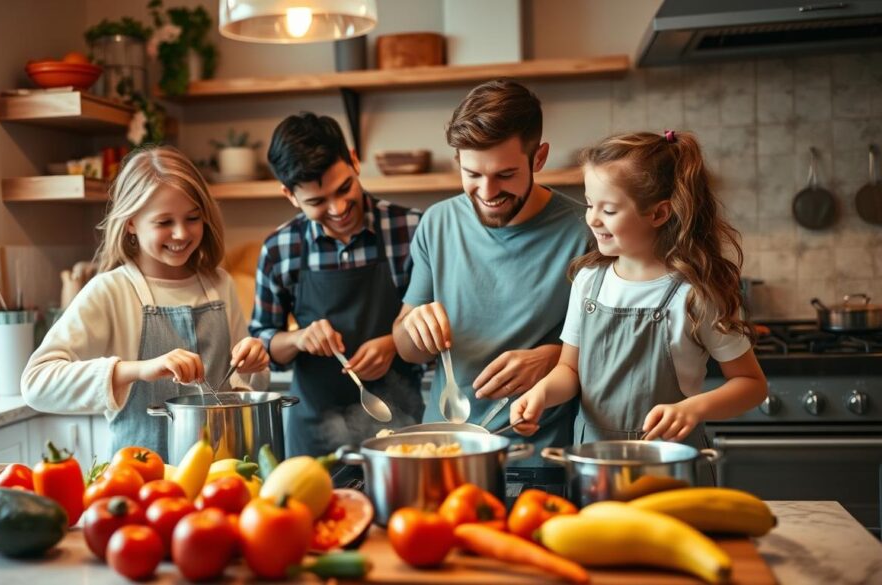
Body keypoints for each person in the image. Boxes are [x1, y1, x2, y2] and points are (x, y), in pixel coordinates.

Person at [510, 131, 768, 479]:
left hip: (671, 468)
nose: (593, 219)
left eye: (610, 209)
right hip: (594, 469)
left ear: (659, 213)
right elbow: (569, 371)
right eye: (590, 204)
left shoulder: (695, 294)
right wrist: (542, 393)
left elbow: (752, 384)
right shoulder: (588, 281)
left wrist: (694, 408)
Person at [23, 145, 270, 461]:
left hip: (221, 479)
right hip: (140, 487)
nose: (181, 233)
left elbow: (239, 387)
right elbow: (36, 384)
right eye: (164, 222)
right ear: (130, 222)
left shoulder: (219, 283)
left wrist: (254, 366)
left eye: (192, 218)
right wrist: (137, 370)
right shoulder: (110, 290)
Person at [393, 79, 591, 467]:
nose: (486, 191)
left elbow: (613, 351)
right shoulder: (437, 223)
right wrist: (415, 326)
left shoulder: (583, 232)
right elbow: (405, 346)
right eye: (472, 174)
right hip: (445, 450)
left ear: (539, 158)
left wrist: (551, 358)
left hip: (539, 455)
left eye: (504, 174)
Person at [250, 112, 424, 458]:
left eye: (344, 188)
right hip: (312, 440)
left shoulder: (411, 230)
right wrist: (299, 338)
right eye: (317, 202)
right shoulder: (280, 248)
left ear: (354, 161)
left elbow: (441, 324)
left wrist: (395, 342)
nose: (339, 208)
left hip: (401, 433)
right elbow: (262, 344)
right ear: (289, 194)